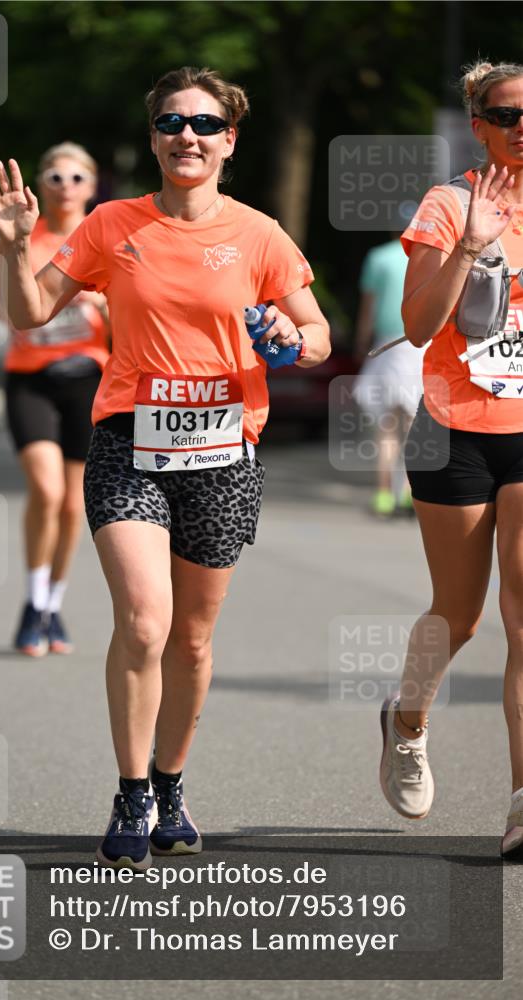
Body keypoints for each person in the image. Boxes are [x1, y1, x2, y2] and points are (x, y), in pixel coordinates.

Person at [0, 66, 330, 869]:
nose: (188, 137)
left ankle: (171, 784)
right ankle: (132, 789)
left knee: (194, 642)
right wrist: (9, 243)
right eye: (172, 123)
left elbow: (314, 335)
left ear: (228, 140)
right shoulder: (111, 225)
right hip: (128, 441)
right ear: (153, 138)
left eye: (205, 124)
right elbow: (32, 311)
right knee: (145, 620)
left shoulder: (259, 234)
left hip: (222, 449)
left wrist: (287, 334)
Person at [378, 61, 523, 858]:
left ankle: (521, 804)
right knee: (458, 616)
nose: (521, 127)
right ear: (478, 123)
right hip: (451, 428)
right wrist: (468, 249)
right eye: (505, 115)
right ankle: (406, 720)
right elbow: (421, 322)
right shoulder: (447, 204)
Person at [0, 143, 110, 657]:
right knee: (46, 489)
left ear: (91, 185)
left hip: (87, 379)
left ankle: (51, 605)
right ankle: (33, 602)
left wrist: (99, 300)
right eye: (55, 176)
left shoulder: (103, 237)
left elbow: (131, 305)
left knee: (73, 505)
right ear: (41, 182)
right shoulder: (19, 235)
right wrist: (25, 313)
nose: (66, 186)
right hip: (30, 376)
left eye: (77, 177)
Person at [353, 235, 426, 516]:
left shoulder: (379, 256)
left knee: (386, 426)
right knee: (411, 425)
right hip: (420, 344)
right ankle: (408, 492)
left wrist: (361, 342)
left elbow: (369, 307)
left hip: (387, 345)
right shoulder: (433, 255)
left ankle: (384, 493)